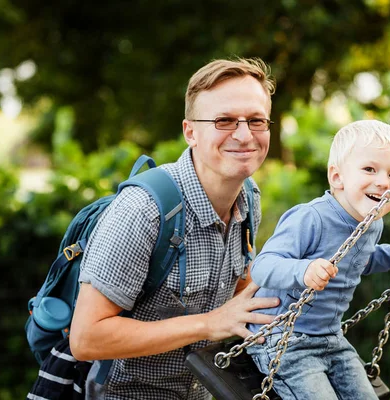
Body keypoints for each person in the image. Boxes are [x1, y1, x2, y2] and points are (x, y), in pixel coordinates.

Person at [69, 58, 280, 399]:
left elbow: (240, 284)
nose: (244, 135)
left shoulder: (249, 195)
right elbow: (85, 338)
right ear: (190, 132)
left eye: (256, 120)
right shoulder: (144, 210)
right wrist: (211, 323)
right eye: (224, 121)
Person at [246, 120, 390, 400]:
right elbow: (263, 267)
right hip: (282, 339)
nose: (384, 182)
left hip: (330, 337)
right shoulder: (311, 218)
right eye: (370, 169)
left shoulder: (372, 224)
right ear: (337, 177)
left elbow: (364, 260)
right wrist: (304, 270)